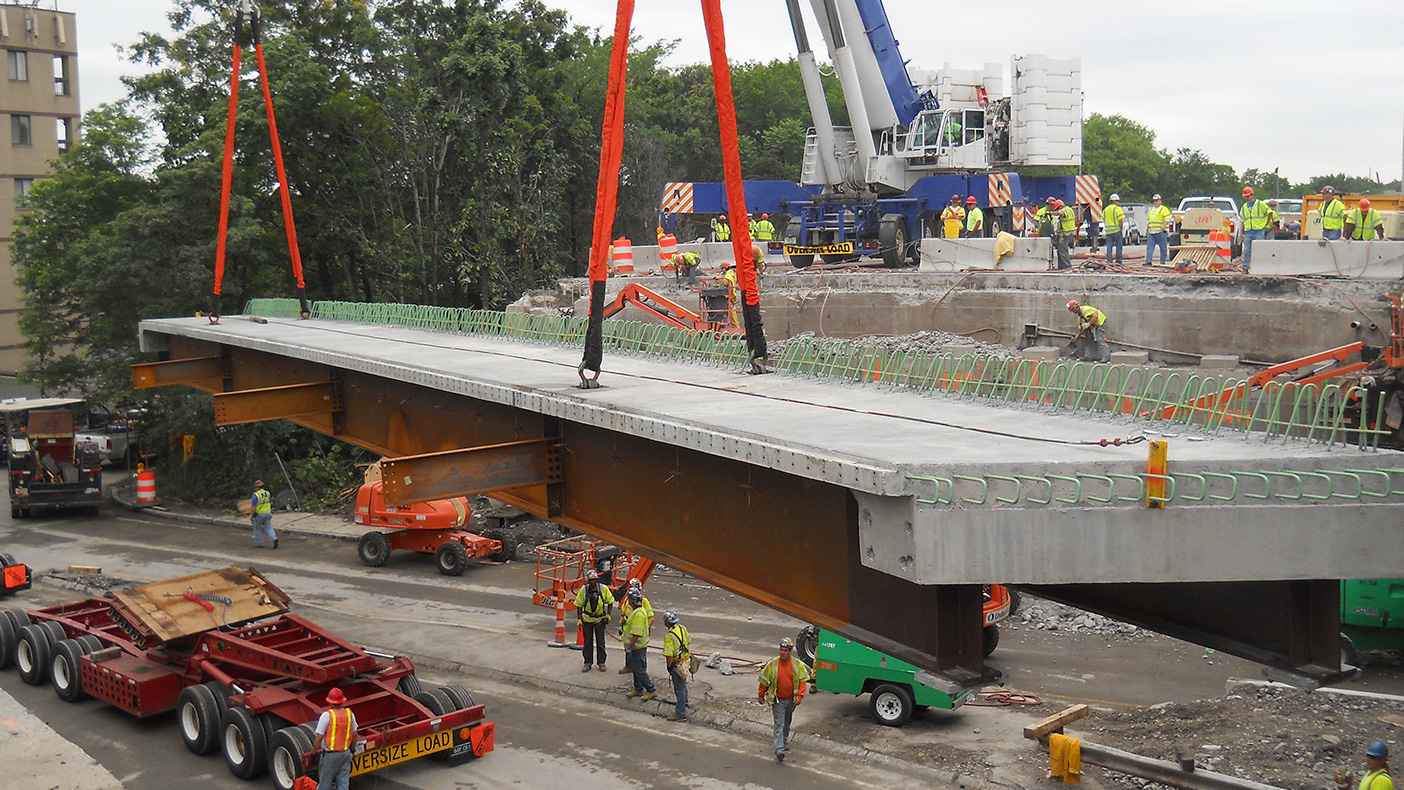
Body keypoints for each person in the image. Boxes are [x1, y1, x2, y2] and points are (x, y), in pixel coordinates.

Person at [758, 636, 812, 762]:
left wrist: (799, 696)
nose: (783, 653)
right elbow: (764, 681)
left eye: (785, 650)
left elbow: (803, 681)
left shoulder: (796, 664)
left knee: (787, 722)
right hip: (778, 700)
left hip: (791, 700)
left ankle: (784, 739)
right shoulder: (772, 664)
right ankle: (779, 749)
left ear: (790, 651)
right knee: (779, 723)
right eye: (781, 650)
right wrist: (761, 695)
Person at [312, 687, 361, 790]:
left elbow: (319, 737)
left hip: (331, 756)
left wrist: (313, 753)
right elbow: (355, 734)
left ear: (330, 702)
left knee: (324, 785)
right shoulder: (349, 714)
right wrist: (352, 749)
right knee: (343, 784)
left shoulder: (326, 716)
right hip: (345, 753)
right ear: (342, 701)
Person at [574, 569, 614, 672]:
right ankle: (588, 662)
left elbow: (610, 601)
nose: (592, 582)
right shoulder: (584, 591)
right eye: (590, 580)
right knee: (587, 642)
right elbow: (578, 605)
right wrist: (579, 618)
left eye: (594, 580)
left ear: (596, 580)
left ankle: (601, 662)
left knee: (600, 643)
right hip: (587, 620)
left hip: (599, 620)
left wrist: (608, 614)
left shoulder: (603, 589)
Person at [622, 587, 657, 701]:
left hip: (637, 647)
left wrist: (630, 646)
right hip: (636, 646)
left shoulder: (638, 614)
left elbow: (636, 633)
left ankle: (651, 690)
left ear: (631, 601)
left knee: (640, 670)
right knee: (635, 669)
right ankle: (638, 689)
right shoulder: (636, 611)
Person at [617, 578, 653, 674]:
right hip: (629, 628)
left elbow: (650, 617)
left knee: (640, 652)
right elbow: (624, 613)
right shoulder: (627, 599)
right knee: (628, 648)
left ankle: (642, 671)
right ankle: (629, 666)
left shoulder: (643, 601)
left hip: (639, 630)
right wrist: (621, 624)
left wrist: (644, 628)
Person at [661, 610, 692, 721]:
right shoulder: (682, 628)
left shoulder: (669, 636)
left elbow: (669, 654)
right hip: (686, 661)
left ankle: (680, 714)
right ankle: (685, 701)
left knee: (679, 688)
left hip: (677, 664)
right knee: (683, 684)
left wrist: (669, 666)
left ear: (667, 623)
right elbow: (689, 641)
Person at [1238, 187, 1271, 272]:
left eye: (1248, 196)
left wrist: (1265, 224)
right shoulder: (1244, 207)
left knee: (1260, 250)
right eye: (1245, 196)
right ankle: (1245, 268)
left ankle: (1260, 268)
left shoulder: (1260, 204)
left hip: (1258, 231)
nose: (1246, 198)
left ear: (1252, 195)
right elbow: (1242, 220)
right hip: (1248, 231)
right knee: (1246, 250)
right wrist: (1241, 232)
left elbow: (1269, 213)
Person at [1146, 194, 1173, 265]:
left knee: (1163, 248)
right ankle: (1148, 261)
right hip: (1152, 232)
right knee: (1150, 248)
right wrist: (1147, 229)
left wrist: (1164, 225)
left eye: (1156, 200)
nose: (1155, 202)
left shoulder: (1164, 209)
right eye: (1154, 201)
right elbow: (1149, 221)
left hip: (1160, 232)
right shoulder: (1152, 210)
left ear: (1160, 201)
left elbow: (1168, 218)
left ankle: (1162, 262)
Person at [251, 480, 278, 549]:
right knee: (268, 527)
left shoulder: (255, 495)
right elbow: (269, 502)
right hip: (268, 513)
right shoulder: (267, 493)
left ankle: (259, 544)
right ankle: (274, 538)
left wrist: (251, 515)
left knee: (256, 528)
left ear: (257, 487)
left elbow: (253, 506)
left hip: (260, 514)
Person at [1103, 193, 1126, 264]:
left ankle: (1109, 261)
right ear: (1115, 201)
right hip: (1117, 231)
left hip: (1108, 231)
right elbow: (1121, 220)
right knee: (1119, 247)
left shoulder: (1105, 209)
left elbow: (1103, 219)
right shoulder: (1117, 209)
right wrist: (1121, 229)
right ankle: (1118, 261)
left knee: (1109, 247)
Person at [718, 261, 741, 328]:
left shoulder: (728, 274)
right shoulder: (732, 273)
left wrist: (719, 279)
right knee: (731, 311)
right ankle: (735, 327)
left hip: (729, 294)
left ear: (725, 268)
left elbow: (726, 282)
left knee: (731, 312)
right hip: (732, 294)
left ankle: (736, 328)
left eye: (722, 269)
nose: (722, 270)